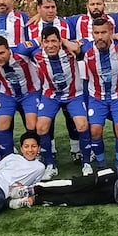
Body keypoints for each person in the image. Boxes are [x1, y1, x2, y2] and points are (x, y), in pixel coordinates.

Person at [19, 26, 91, 179]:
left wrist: (65, 42)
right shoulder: (36, 54)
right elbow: (18, 49)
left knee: (82, 124)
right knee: (41, 127)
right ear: (42, 43)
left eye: (54, 41)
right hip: (50, 96)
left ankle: (86, 163)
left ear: (60, 42)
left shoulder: (69, 52)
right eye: (46, 42)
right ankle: (50, 164)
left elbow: (82, 46)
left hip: (74, 95)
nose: (50, 45)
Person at [79, 17, 118, 168]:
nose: (100, 36)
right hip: (96, 97)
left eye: (104, 32)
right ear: (92, 34)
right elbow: (71, 47)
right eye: (96, 33)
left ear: (111, 32)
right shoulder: (86, 50)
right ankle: (102, 164)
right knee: (95, 131)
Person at [0, 35, 41, 158]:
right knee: (1, 124)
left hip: (30, 92)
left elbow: (41, 39)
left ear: (9, 49)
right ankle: (7, 157)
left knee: (32, 124)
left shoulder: (22, 50)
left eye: (2, 53)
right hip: (7, 93)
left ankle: (35, 155)